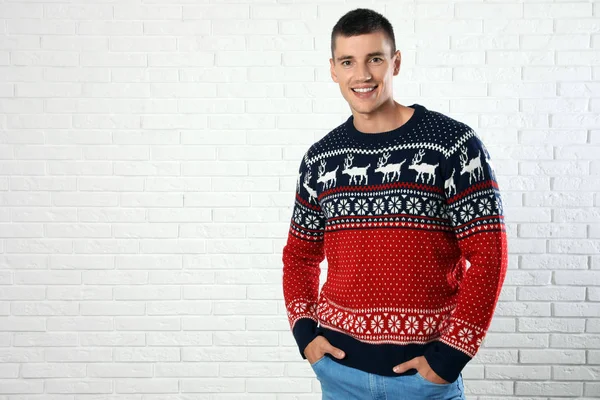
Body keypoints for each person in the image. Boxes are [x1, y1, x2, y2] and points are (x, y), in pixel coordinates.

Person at [282, 8, 508, 400]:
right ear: (333, 69)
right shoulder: (320, 159)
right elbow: (300, 255)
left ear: (395, 62)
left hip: (424, 380)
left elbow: (489, 254)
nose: (363, 75)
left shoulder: (452, 146)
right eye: (348, 61)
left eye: (375, 59)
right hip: (339, 375)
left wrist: (451, 356)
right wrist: (306, 336)